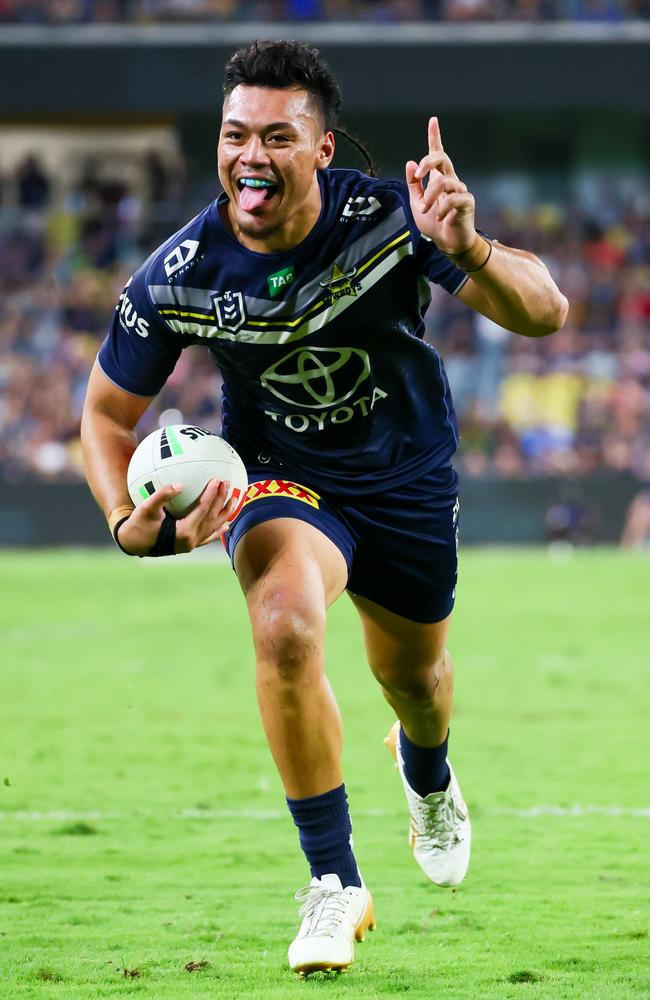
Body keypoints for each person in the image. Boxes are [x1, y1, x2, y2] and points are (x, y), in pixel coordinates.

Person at [80, 40, 568, 976]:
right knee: (287, 626)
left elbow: (546, 313)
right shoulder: (181, 272)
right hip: (278, 482)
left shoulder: (394, 219)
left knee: (417, 684)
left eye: (277, 135)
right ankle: (335, 884)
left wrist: (469, 246)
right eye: (234, 135)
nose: (250, 155)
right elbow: (106, 411)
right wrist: (120, 518)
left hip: (408, 478)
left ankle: (425, 772)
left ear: (323, 150)